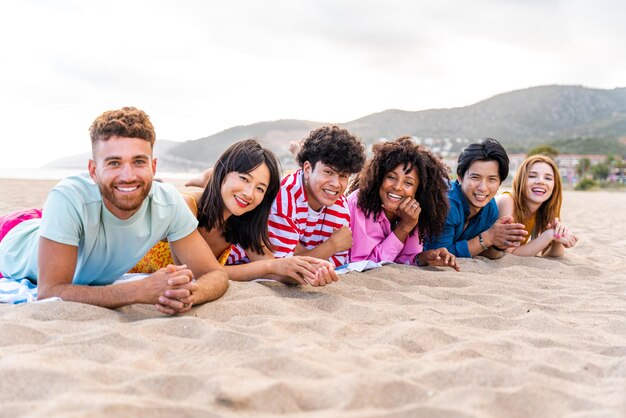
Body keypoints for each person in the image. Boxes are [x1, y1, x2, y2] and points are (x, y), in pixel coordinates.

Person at [0, 107, 228, 314]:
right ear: (93, 170)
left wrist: (188, 294)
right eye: (114, 163)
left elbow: (214, 274)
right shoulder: (67, 197)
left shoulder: (167, 203)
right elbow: (49, 291)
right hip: (11, 236)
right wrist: (138, 291)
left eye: (139, 161)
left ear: (153, 166)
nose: (128, 176)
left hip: (52, 225)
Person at [134, 139, 339, 286]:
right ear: (223, 171)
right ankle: (200, 179)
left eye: (260, 188)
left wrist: (310, 271)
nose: (250, 193)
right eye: (244, 178)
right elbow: (198, 273)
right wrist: (271, 268)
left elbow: (275, 268)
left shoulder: (241, 223)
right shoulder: (187, 206)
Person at [346, 137, 459, 270]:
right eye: (391, 177)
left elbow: (401, 259)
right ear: (379, 178)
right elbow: (365, 264)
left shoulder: (412, 211)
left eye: (408, 183)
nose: (398, 187)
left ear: (419, 191)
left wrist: (423, 258)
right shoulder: (359, 204)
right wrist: (404, 227)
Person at [266, 125, 366, 268]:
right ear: (307, 169)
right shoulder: (285, 198)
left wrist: (301, 253)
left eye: (343, 176)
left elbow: (337, 262)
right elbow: (282, 267)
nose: (336, 184)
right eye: (328, 172)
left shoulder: (340, 204)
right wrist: (332, 245)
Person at [425, 138, 527, 259]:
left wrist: (498, 243)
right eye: (475, 177)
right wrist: (487, 237)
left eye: (492, 179)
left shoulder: (490, 207)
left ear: (499, 183)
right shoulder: (446, 203)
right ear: (460, 177)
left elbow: (484, 252)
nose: (483, 188)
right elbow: (438, 256)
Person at [496, 154, 578, 256]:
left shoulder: (545, 210)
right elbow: (509, 254)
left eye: (548, 178)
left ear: (555, 185)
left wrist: (557, 238)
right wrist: (549, 234)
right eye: (532, 176)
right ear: (521, 180)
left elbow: (551, 255)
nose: (540, 181)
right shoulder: (507, 201)